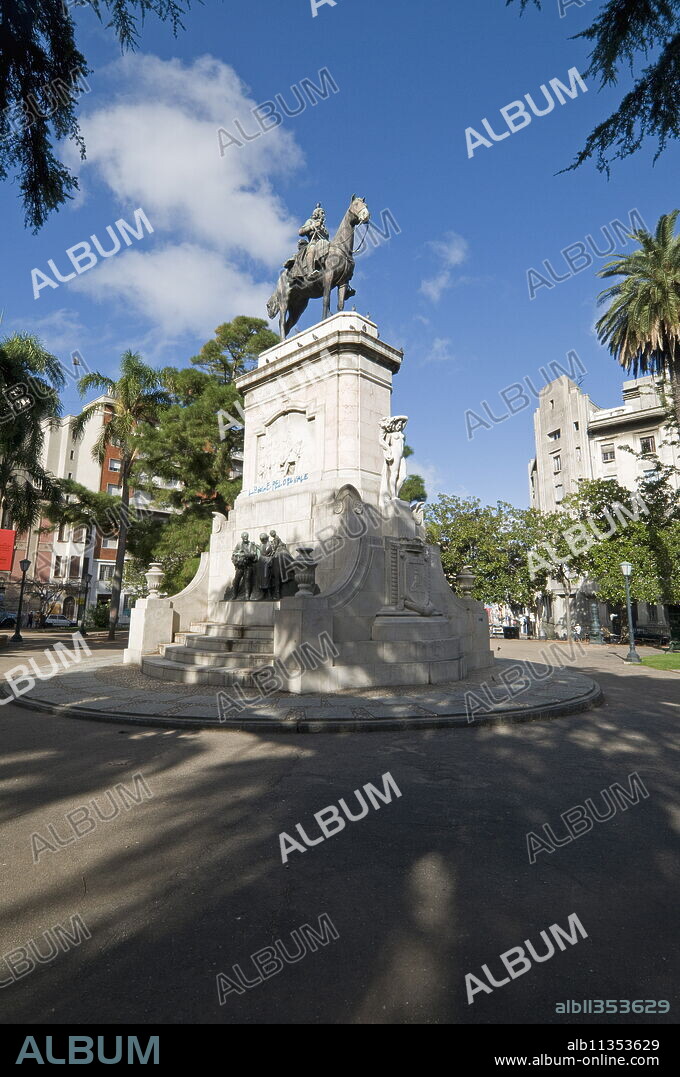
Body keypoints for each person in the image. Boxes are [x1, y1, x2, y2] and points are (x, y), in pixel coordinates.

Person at [231, 532, 259, 600]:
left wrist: (245, 554)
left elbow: (254, 554)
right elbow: (234, 553)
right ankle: (234, 595)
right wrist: (239, 553)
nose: (245, 537)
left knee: (247, 580)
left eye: (246, 536)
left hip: (248, 565)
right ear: (242, 538)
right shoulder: (239, 544)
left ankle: (247, 596)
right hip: (240, 566)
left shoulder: (251, 544)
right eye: (244, 537)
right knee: (236, 580)